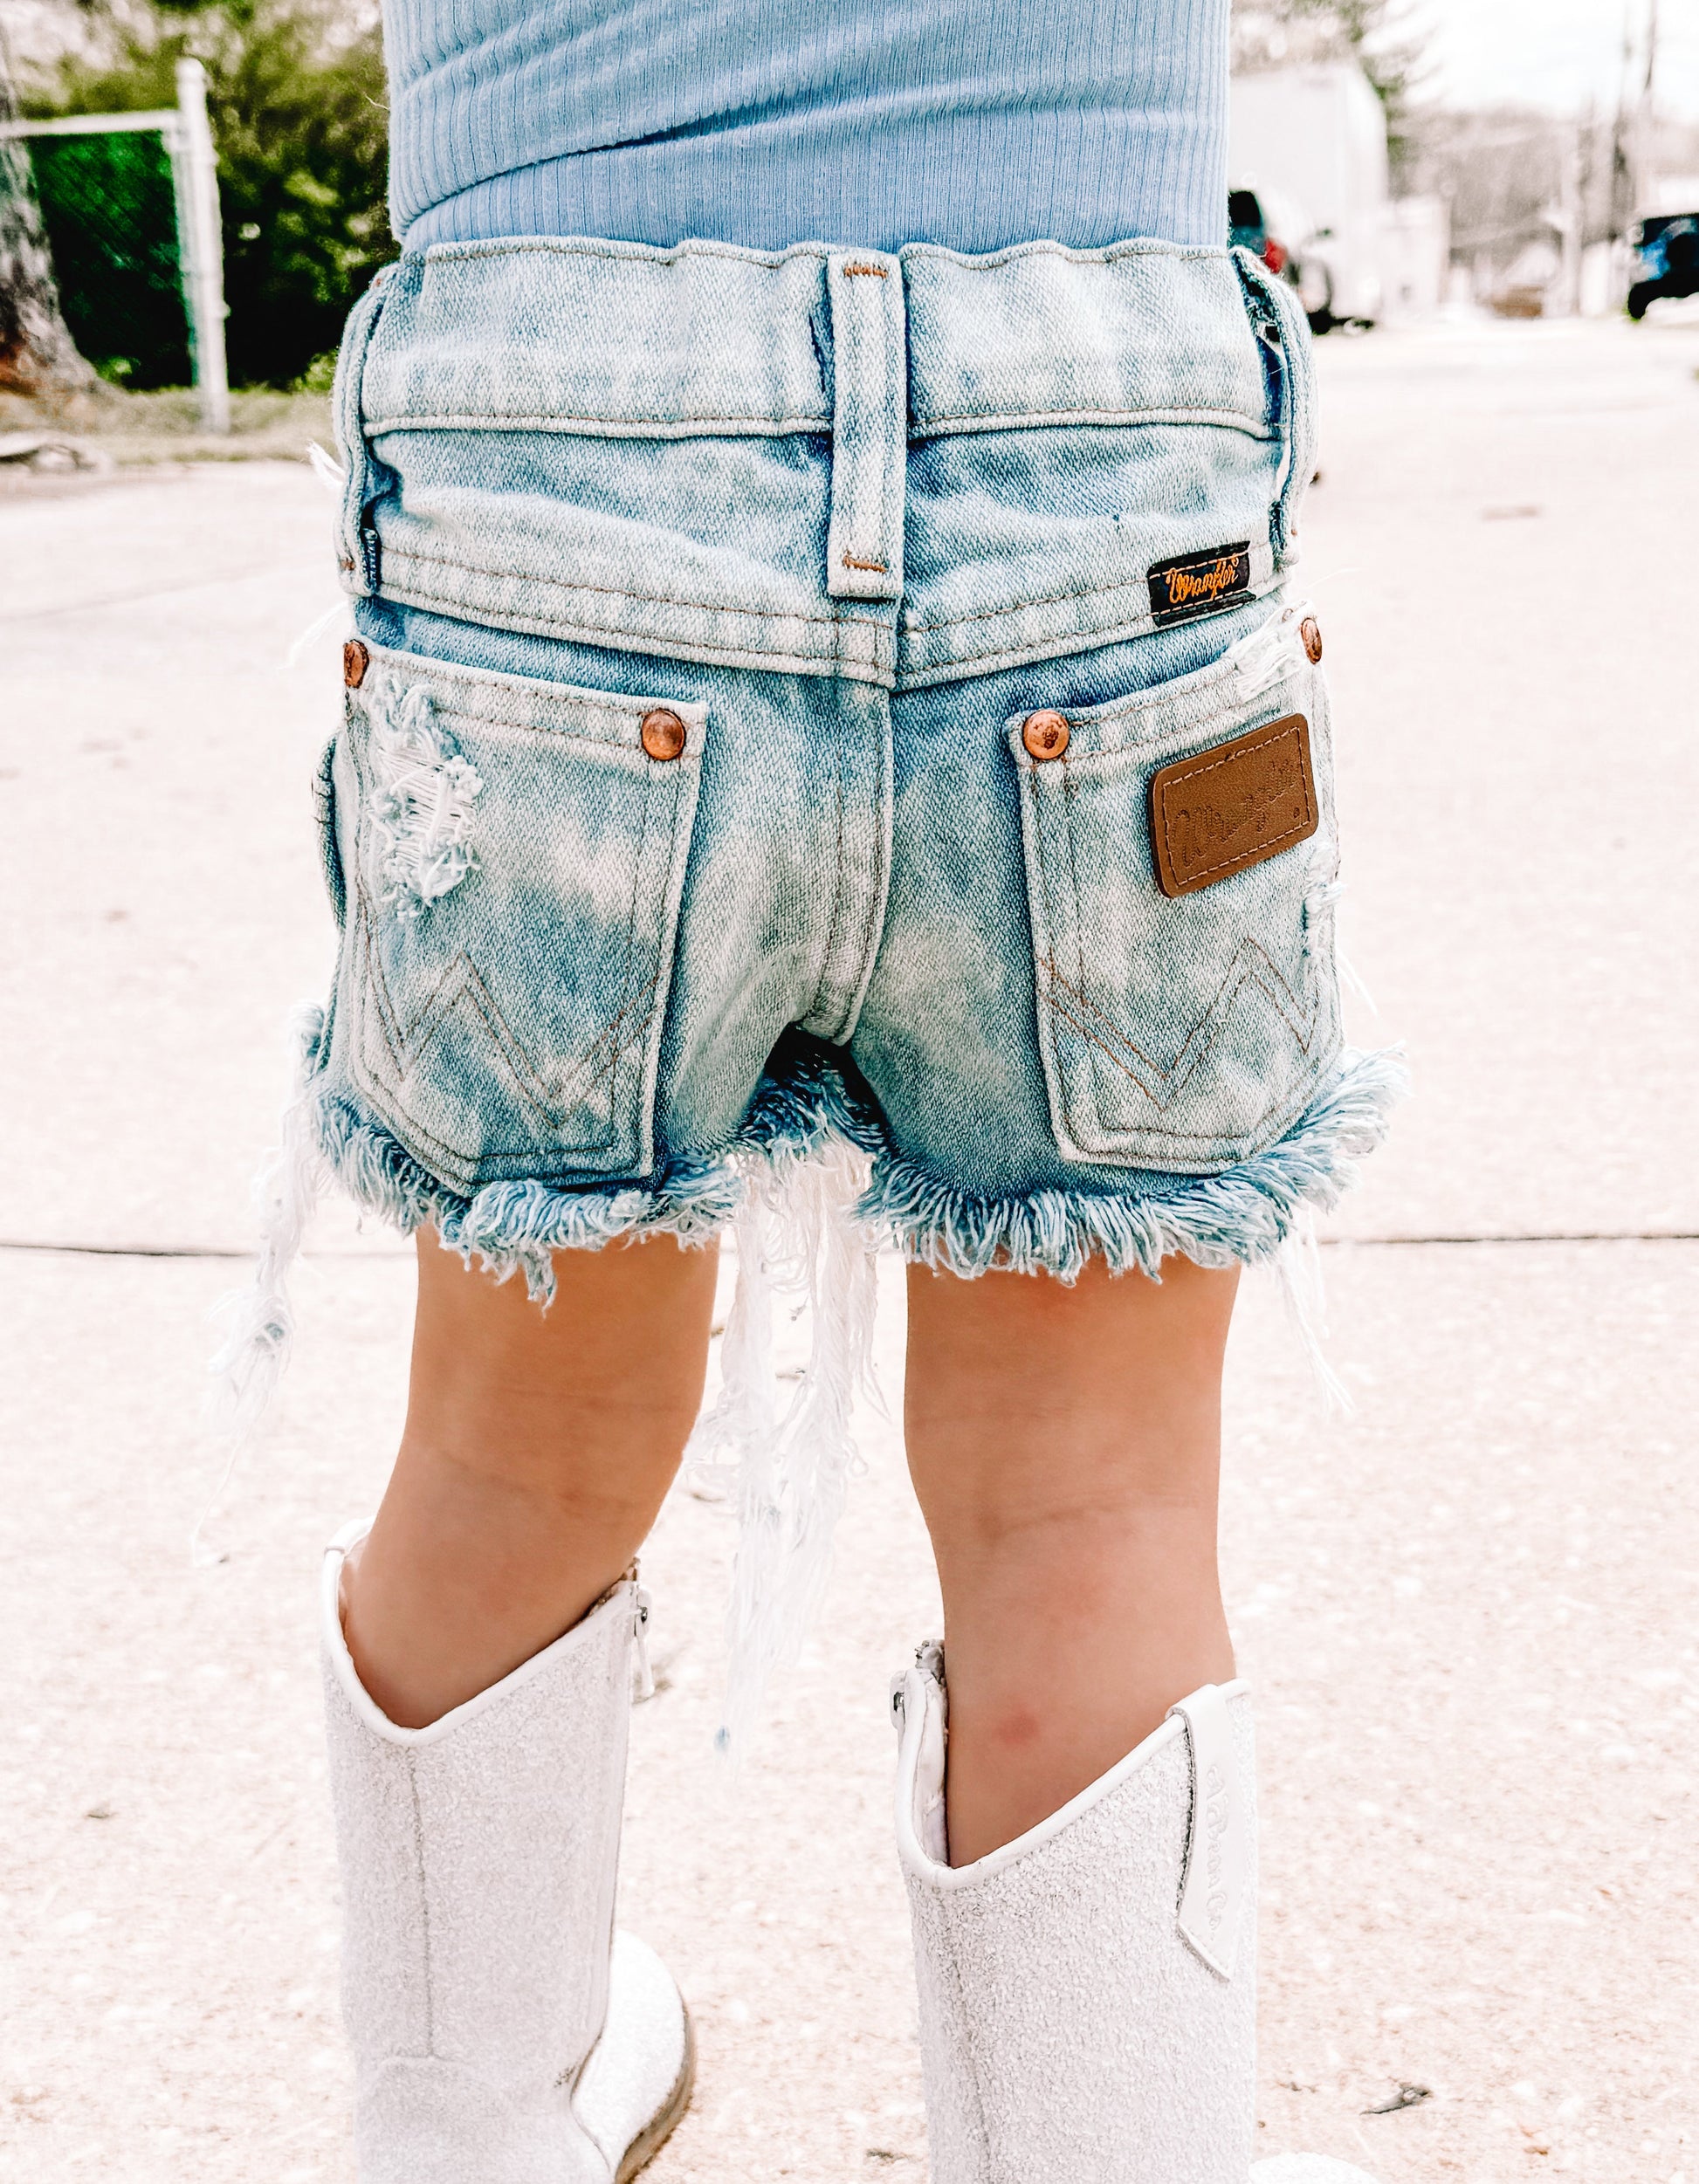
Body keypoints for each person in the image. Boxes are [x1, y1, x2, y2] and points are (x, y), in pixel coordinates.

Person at [226, 2, 1403, 2177]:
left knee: (508, 1438)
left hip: (554, 419)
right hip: (1096, 427)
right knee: (1089, 1490)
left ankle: (469, 2127)